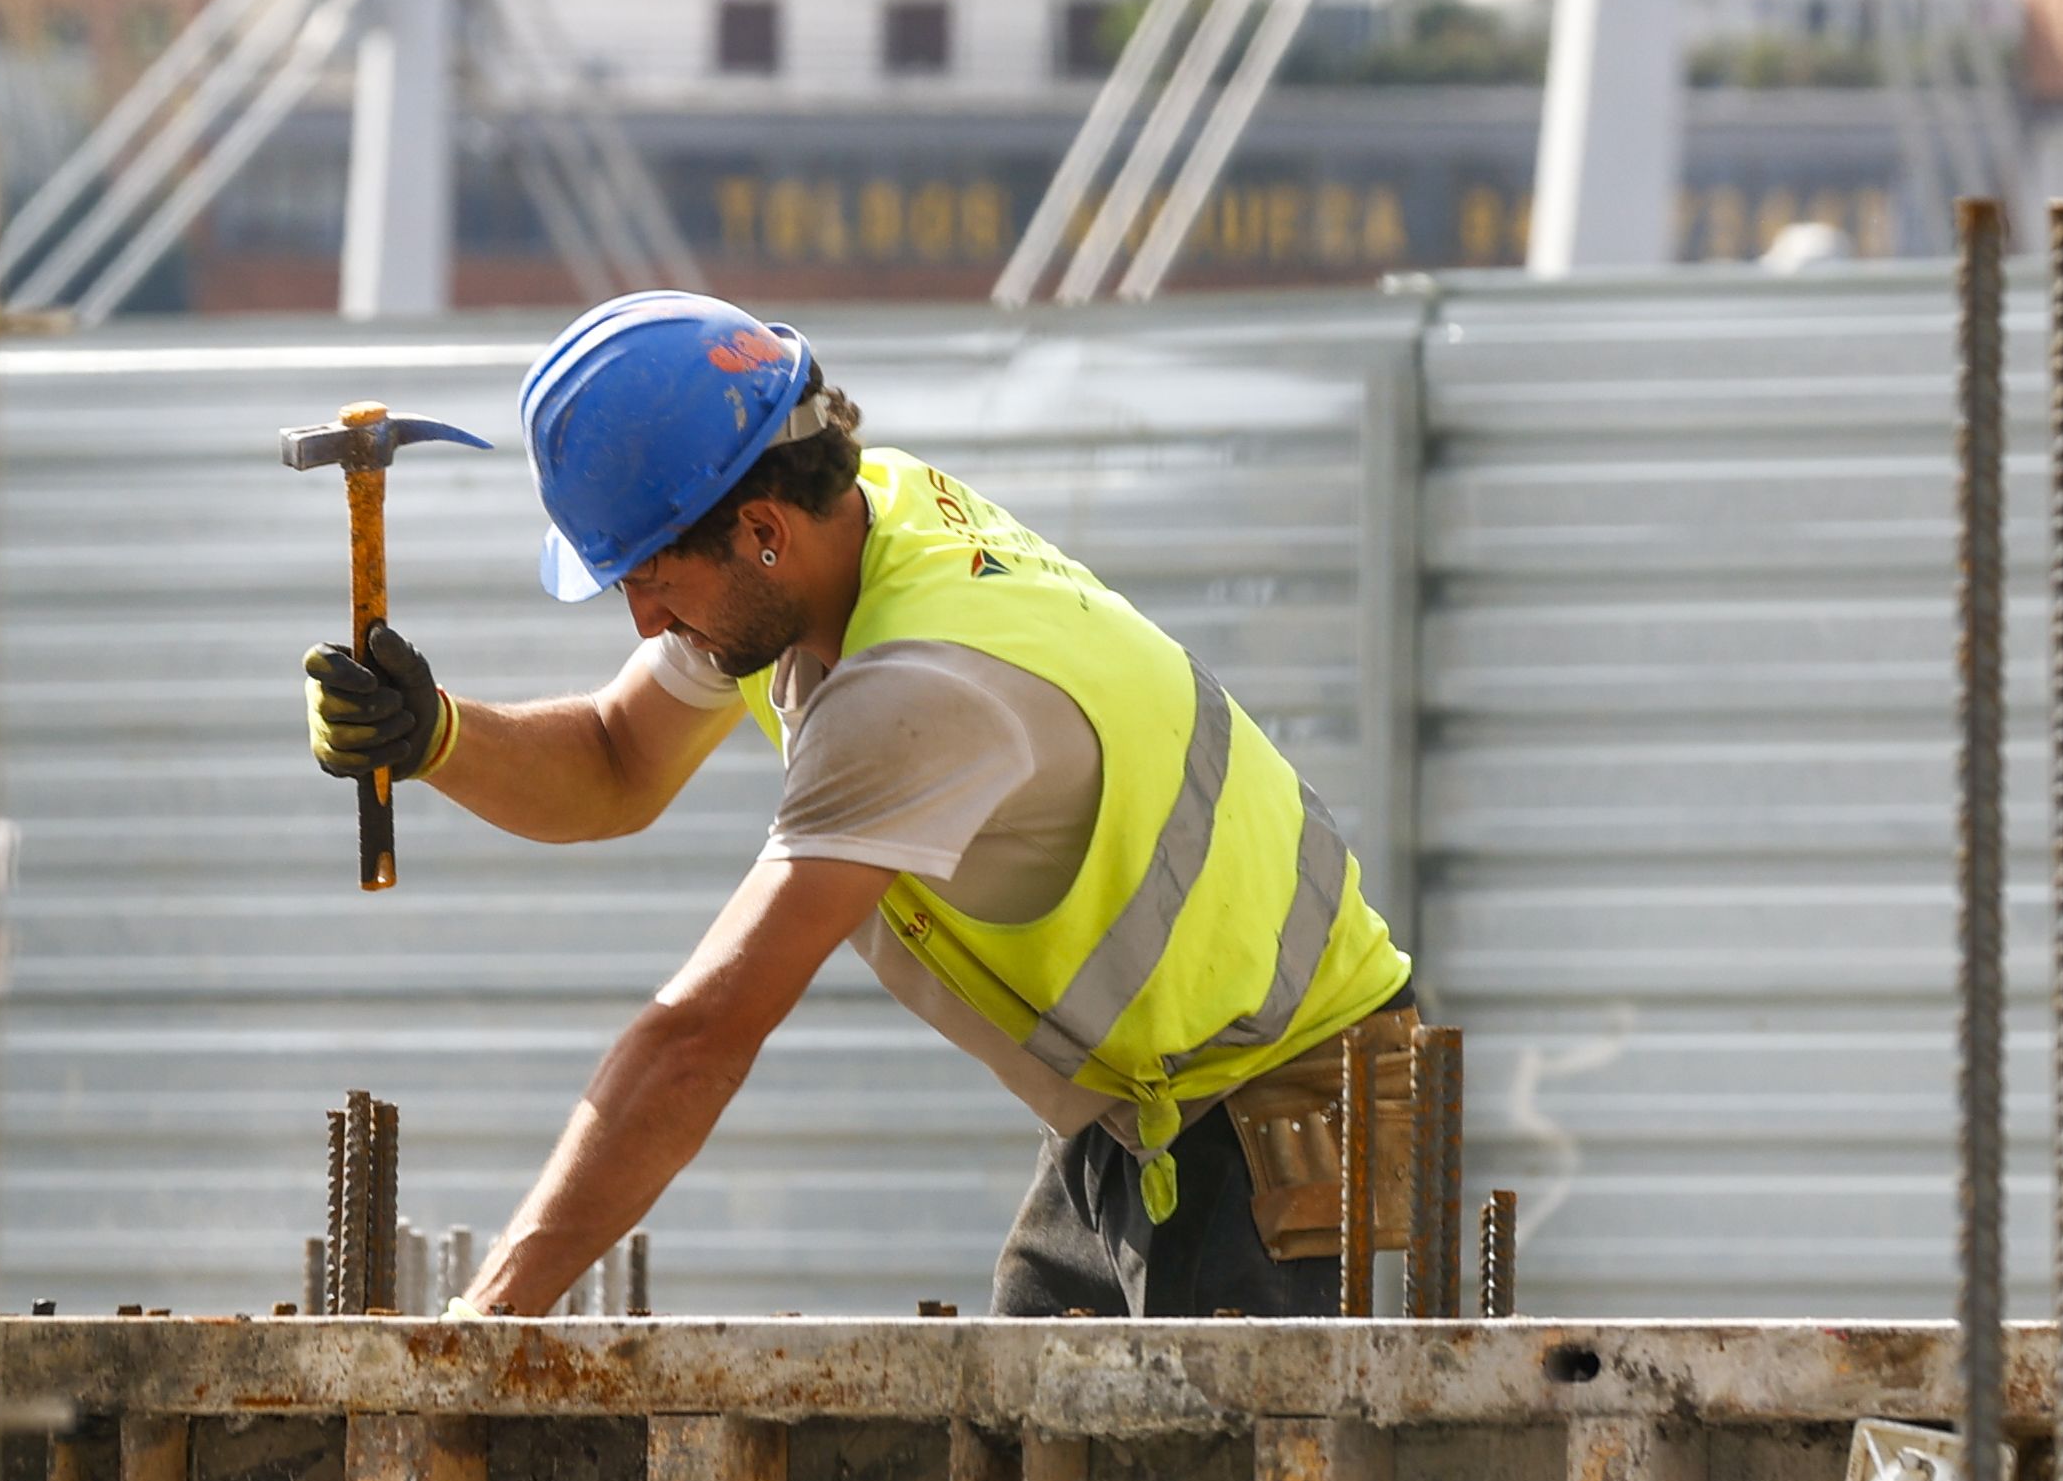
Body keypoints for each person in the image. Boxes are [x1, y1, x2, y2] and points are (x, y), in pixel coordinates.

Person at [303, 289, 1416, 1320]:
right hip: (1145, 1118)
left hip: (1296, 1133)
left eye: (650, 576)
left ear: (761, 532)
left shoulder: (914, 686)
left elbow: (698, 1038)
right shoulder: (838, 536)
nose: (642, 620)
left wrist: (478, 1326)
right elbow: (612, 761)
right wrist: (434, 733)